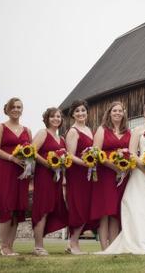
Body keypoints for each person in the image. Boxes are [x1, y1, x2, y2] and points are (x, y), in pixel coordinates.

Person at [102, 101, 145, 254]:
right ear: (144, 113)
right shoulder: (137, 131)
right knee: (140, 207)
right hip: (141, 173)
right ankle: (140, 242)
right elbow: (132, 153)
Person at [0, 97, 32, 256]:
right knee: (7, 206)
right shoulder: (0, 127)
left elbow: (31, 151)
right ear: (8, 109)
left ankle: (10, 246)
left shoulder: (27, 130)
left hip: (22, 173)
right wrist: (12, 158)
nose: (16, 109)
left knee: (17, 209)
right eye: (13, 107)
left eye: (19, 107)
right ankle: (3, 246)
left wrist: (29, 163)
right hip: (6, 171)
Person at [91, 102, 131, 251]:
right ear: (109, 113)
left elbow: (132, 153)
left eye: (120, 111)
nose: (117, 113)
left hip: (123, 176)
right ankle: (104, 248)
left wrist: (124, 169)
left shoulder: (128, 131)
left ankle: (113, 247)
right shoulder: (102, 130)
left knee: (115, 211)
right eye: (115, 110)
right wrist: (114, 167)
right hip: (105, 175)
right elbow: (95, 153)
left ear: (123, 113)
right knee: (105, 211)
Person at [31, 107, 69, 256]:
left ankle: (41, 243)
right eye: (53, 116)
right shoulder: (43, 133)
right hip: (44, 176)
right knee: (43, 208)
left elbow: (65, 159)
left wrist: (62, 168)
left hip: (57, 178)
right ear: (47, 118)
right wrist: (47, 164)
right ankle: (38, 246)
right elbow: (31, 151)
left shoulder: (62, 139)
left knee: (53, 207)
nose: (56, 119)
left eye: (58, 116)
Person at [65, 99, 94, 254]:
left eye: (83, 110)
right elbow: (70, 156)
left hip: (89, 176)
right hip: (77, 175)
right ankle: (73, 244)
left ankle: (72, 243)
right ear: (73, 114)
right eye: (77, 111)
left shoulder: (89, 130)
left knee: (86, 208)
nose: (81, 113)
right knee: (78, 208)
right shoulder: (73, 131)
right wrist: (86, 163)